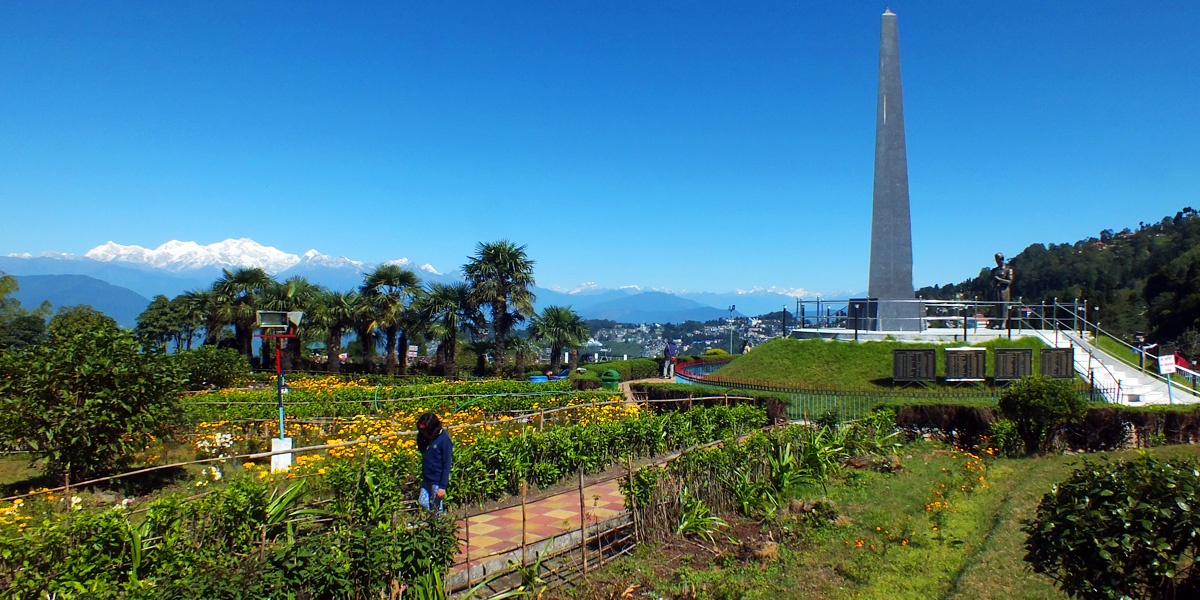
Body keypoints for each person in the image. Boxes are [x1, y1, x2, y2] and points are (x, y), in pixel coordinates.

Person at [416, 412, 452, 513]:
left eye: (425, 432)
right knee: (423, 502)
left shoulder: (444, 441)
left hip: (437, 480)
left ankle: (438, 526)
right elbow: (422, 449)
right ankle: (428, 522)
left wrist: (443, 486)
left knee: (436, 507)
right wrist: (420, 437)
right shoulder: (426, 439)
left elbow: (446, 465)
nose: (424, 435)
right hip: (427, 478)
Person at [991, 252, 1014, 329]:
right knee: (997, 306)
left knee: (1004, 306)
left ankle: (1003, 323)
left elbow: (1009, 281)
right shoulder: (994, 270)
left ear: (1002, 259)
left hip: (1004, 290)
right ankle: (998, 322)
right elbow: (991, 281)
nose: (997, 261)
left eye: (998, 259)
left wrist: (1000, 280)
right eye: (996, 260)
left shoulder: (1008, 270)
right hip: (996, 290)